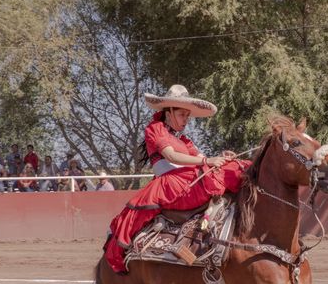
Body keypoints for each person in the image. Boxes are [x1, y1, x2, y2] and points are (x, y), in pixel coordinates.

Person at [104, 84, 250, 273]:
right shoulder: (155, 129)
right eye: (182, 115)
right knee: (221, 172)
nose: (186, 120)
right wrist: (208, 160)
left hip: (189, 179)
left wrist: (220, 157)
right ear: (169, 112)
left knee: (234, 166)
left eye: (187, 116)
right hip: (172, 184)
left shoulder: (183, 139)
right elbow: (172, 156)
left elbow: (199, 158)